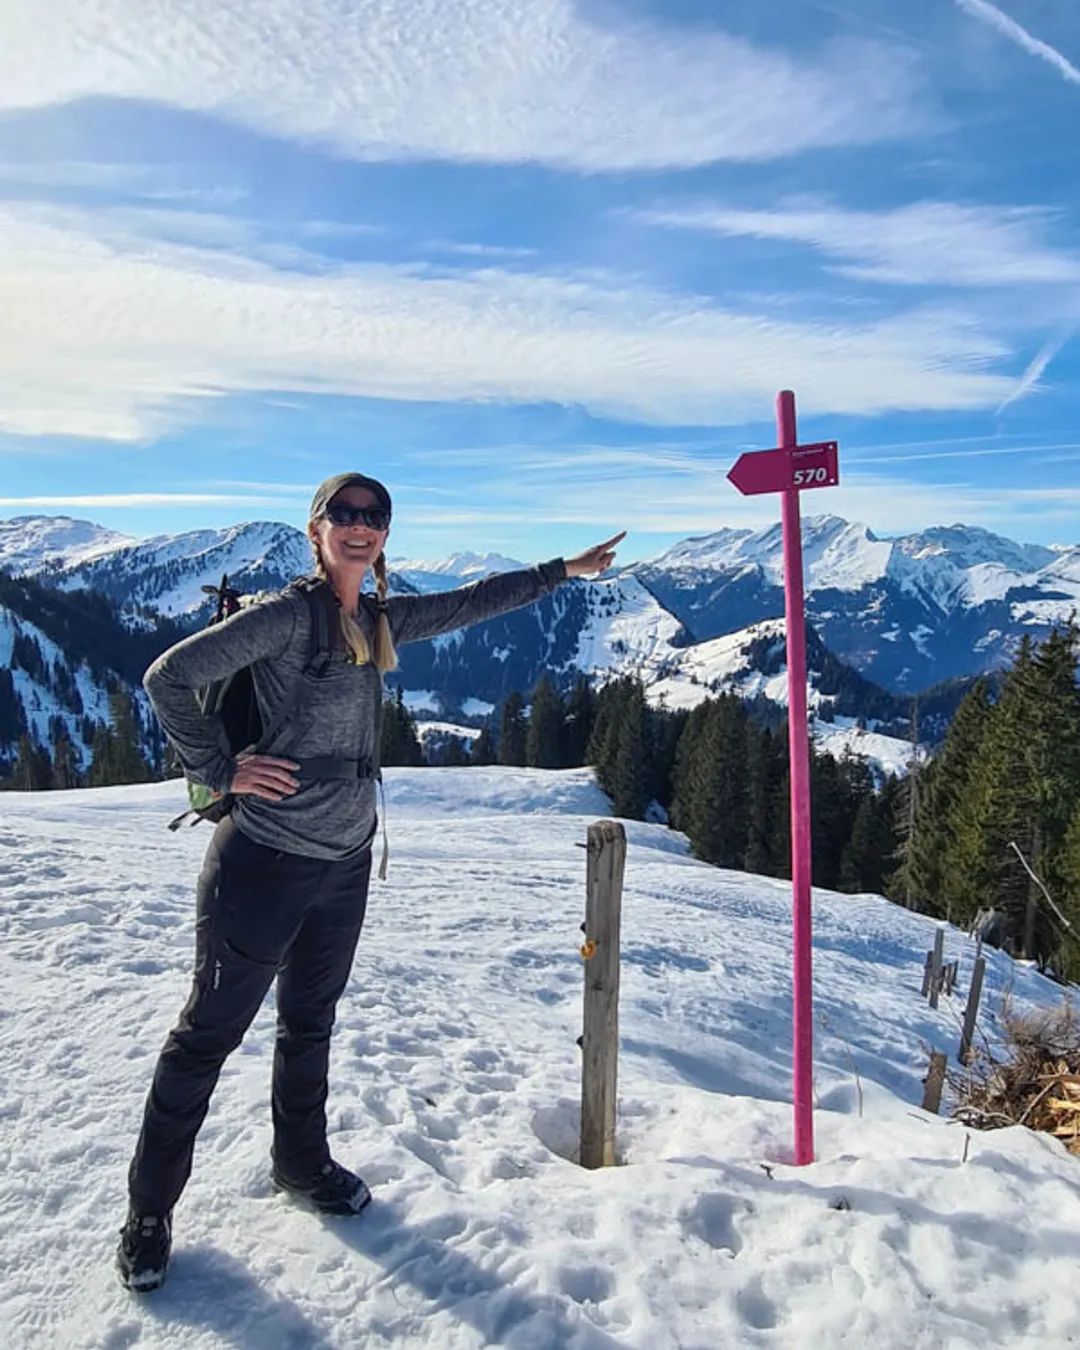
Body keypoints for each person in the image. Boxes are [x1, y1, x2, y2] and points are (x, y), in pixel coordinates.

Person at [116, 471, 625, 1292]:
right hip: (263, 863)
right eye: (343, 515)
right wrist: (217, 769)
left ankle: (301, 1163)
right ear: (315, 529)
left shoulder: (378, 618)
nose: (360, 527)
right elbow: (166, 678)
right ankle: (148, 1213)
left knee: (308, 1025)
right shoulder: (284, 618)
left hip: (344, 863)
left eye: (374, 517)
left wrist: (560, 572)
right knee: (206, 1037)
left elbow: (471, 602)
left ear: (385, 533)